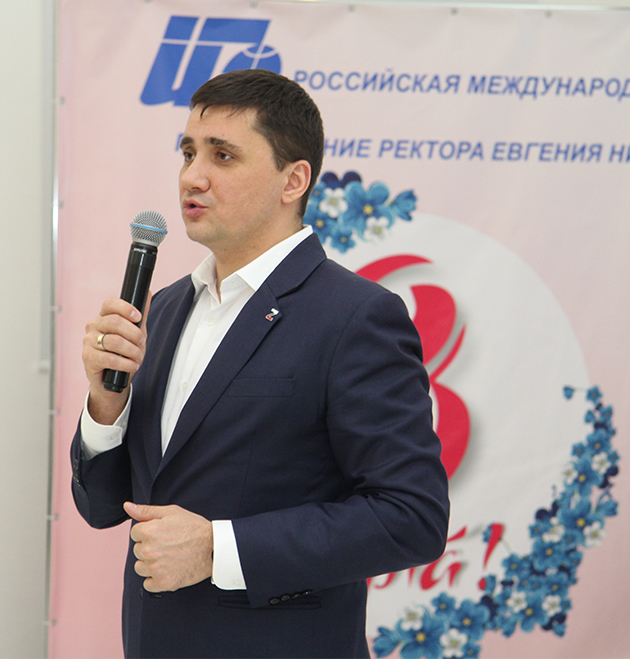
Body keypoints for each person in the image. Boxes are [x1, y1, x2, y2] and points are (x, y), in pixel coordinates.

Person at [71, 69, 449, 659]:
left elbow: (411, 517)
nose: (192, 176)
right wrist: (106, 404)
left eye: (222, 156)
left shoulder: (355, 316)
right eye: (188, 153)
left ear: (293, 180)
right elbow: (102, 507)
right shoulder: (163, 309)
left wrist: (217, 549)